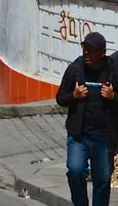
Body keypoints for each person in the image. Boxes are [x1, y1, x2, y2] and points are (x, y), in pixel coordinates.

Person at [57, 31, 118, 206]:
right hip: (79, 136)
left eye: (91, 50)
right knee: (75, 171)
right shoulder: (75, 69)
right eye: (85, 49)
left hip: (104, 137)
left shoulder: (113, 70)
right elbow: (60, 98)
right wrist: (74, 96)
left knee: (103, 179)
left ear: (103, 53)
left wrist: (113, 96)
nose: (87, 53)